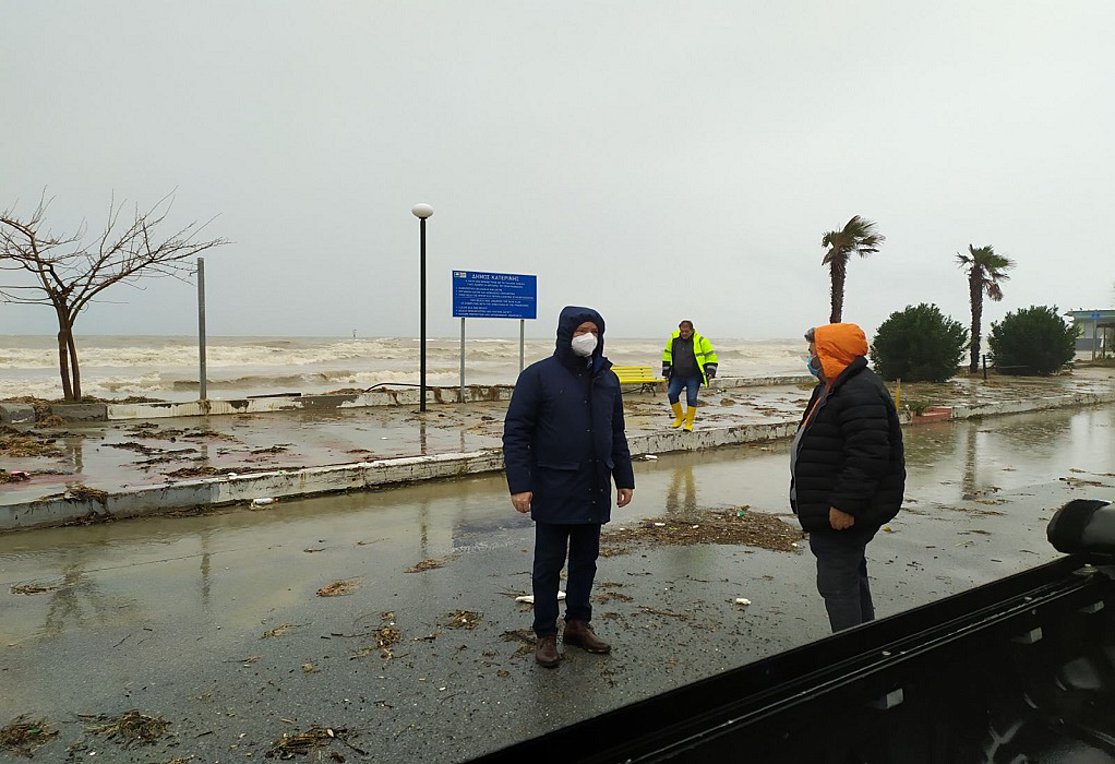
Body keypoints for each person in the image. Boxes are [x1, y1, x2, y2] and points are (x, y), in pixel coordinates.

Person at [503, 306, 635, 668]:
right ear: (565, 334)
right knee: (548, 564)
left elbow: (616, 432)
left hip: (594, 484)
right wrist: (520, 485)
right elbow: (516, 433)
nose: (588, 337)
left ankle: (577, 624)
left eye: (594, 331)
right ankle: (545, 633)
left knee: (585, 561)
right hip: (553, 484)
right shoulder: (538, 376)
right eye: (581, 331)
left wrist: (624, 478)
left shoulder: (607, 379)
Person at [789, 323, 905, 632]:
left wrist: (845, 505)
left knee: (837, 584)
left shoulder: (859, 391)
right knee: (850, 575)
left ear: (831, 354)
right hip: (830, 505)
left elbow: (868, 455)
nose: (810, 359)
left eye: (814, 352)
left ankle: (851, 649)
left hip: (842, 512)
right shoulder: (832, 386)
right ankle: (866, 640)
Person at [661, 320, 718, 431]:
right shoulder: (673, 340)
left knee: (691, 398)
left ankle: (689, 423)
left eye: (686, 331)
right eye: (682, 331)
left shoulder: (701, 340)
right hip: (677, 375)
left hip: (693, 376)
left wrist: (710, 371)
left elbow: (711, 356)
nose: (684, 333)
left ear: (692, 330)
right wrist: (666, 373)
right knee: (672, 394)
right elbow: (667, 356)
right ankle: (679, 417)